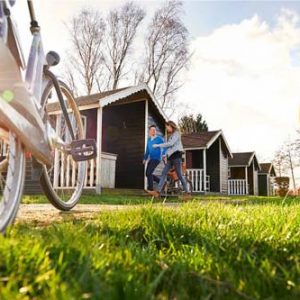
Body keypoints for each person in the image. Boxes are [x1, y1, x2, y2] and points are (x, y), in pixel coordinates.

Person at [147, 120, 189, 198]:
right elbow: (170, 148)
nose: (167, 129)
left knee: (179, 175)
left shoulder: (176, 133)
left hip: (177, 157)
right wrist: (165, 155)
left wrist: (158, 145)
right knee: (163, 173)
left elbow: (171, 144)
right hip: (170, 158)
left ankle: (187, 193)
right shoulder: (171, 135)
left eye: (167, 127)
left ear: (171, 126)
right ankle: (157, 192)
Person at [143, 125, 166, 191]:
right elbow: (147, 150)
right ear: (149, 131)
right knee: (148, 174)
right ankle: (162, 183)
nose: (154, 131)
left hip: (157, 158)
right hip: (151, 158)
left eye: (155, 130)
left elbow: (164, 147)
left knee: (149, 173)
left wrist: (164, 154)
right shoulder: (149, 140)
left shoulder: (159, 139)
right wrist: (145, 158)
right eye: (152, 130)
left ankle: (150, 188)